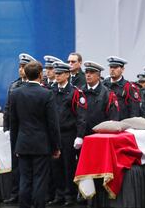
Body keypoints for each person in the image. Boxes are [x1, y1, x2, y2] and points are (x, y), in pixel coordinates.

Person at [9, 61, 61, 208]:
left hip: (23, 144)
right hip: (41, 145)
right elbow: (53, 124)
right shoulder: (47, 94)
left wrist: (15, 146)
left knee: (24, 179)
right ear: (40, 75)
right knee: (40, 180)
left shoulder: (15, 94)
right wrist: (56, 146)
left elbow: (13, 123)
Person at [48, 62, 86, 207]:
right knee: (55, 166)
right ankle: (59, 194)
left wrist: (80, 135)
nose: (57, 76)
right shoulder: (51, 90)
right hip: (54, 134)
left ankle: (69, 195)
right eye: (56, 73)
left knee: (68, 166)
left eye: (60, 74)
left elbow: (81, 116)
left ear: (67, 75)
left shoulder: (75, 92)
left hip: (68, 134)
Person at [3, 53, 36, 204]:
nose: (20, 70)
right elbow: (8, 109)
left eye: (23, 67)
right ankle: (15, 192)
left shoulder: (36, 85)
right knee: (15, 165)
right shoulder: (14, 85)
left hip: (29, 131)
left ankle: (30, 194)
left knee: (30, 166)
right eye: (19, 66)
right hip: (16, 130)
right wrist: (6, 128)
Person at [73, 61, 119, 150]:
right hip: (81, 137)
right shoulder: (79, 92)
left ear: (98, 76)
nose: (88, 75)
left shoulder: (107, 94)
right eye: (86, 72)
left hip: (99, 137)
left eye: (92, 72)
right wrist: (79, 135)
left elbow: (113, 119)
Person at [103, 56, 141, 120]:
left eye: (115, 67)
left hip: (122, 125)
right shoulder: (103, 85)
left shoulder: (129, 87)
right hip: (104, 124)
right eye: (111, 67)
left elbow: (134, 112)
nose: (112, 69)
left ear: (122, 69)